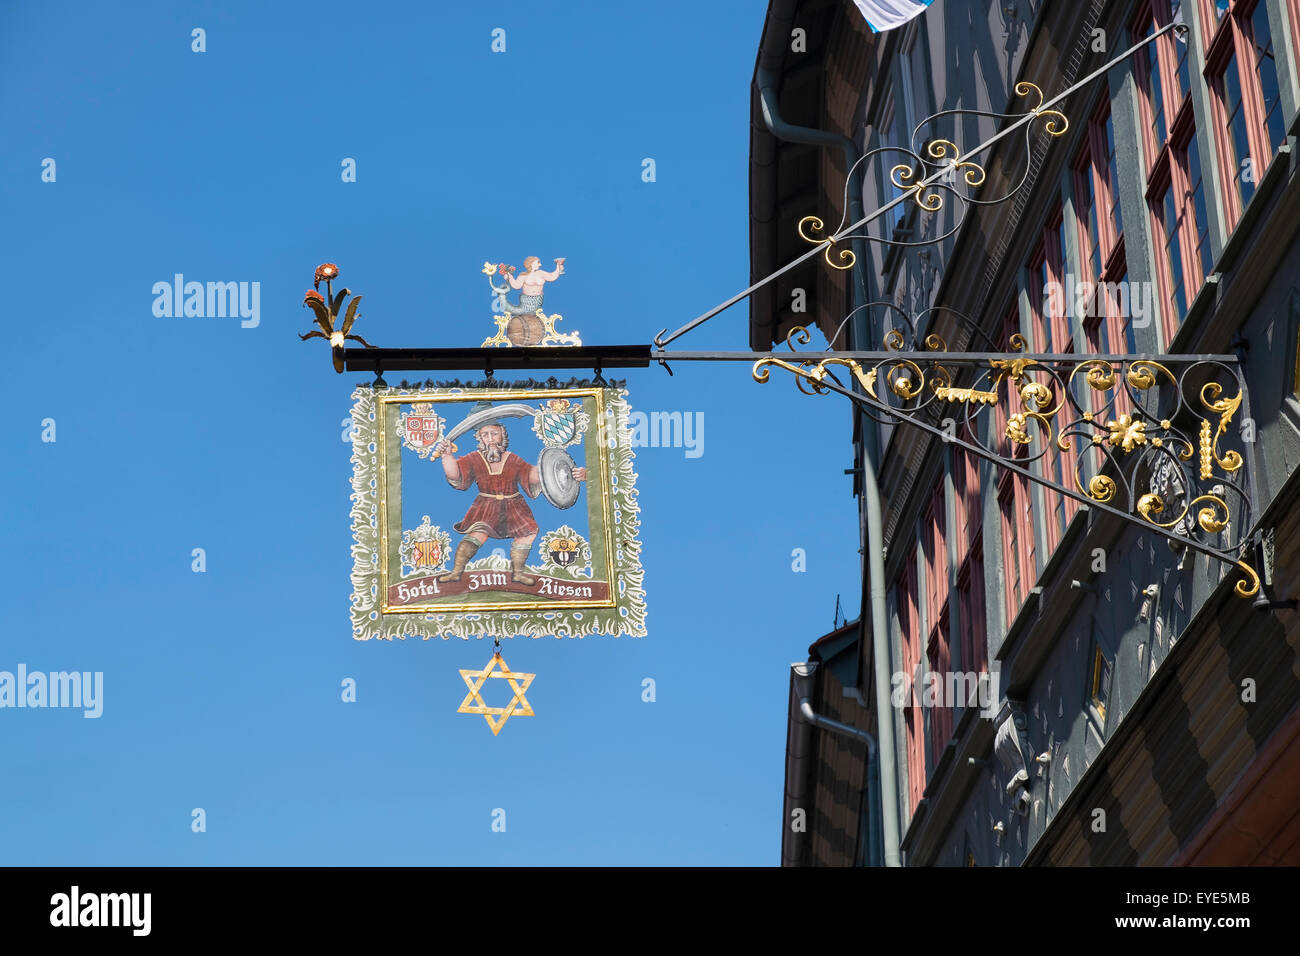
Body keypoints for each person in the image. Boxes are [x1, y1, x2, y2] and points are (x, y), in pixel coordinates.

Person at [435, 406, 585, 585]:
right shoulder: (473, 458)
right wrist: (447, 456)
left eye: (494, 434)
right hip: (486, 506)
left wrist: (569, 473)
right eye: (485, 435)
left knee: (528, 532)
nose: (491, 439)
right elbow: (455, 474)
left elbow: (538, 475)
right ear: (480, 438)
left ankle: (518, 574)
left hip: (514, 506)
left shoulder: (513, 459)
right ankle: (456, 572)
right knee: (477, 534)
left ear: (502, 435)